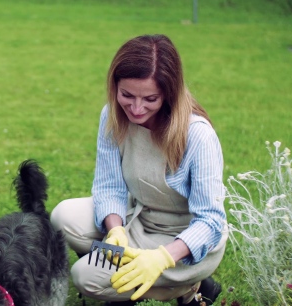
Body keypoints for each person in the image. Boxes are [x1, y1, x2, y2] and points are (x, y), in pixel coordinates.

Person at [50, 35, 227, 306]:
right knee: (63, 216)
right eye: (127, 95)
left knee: (84, 276)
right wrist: (115, 229)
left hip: (183, 241)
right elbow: (110, 186)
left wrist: (162, 258)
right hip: (138, 221)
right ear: (115, 86)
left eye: (150, 99)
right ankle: (128, 275)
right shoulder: (111, 116)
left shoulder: (197, 135)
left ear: (169, 93)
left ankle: (188, 286)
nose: (136, 108)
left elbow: (210, 221)